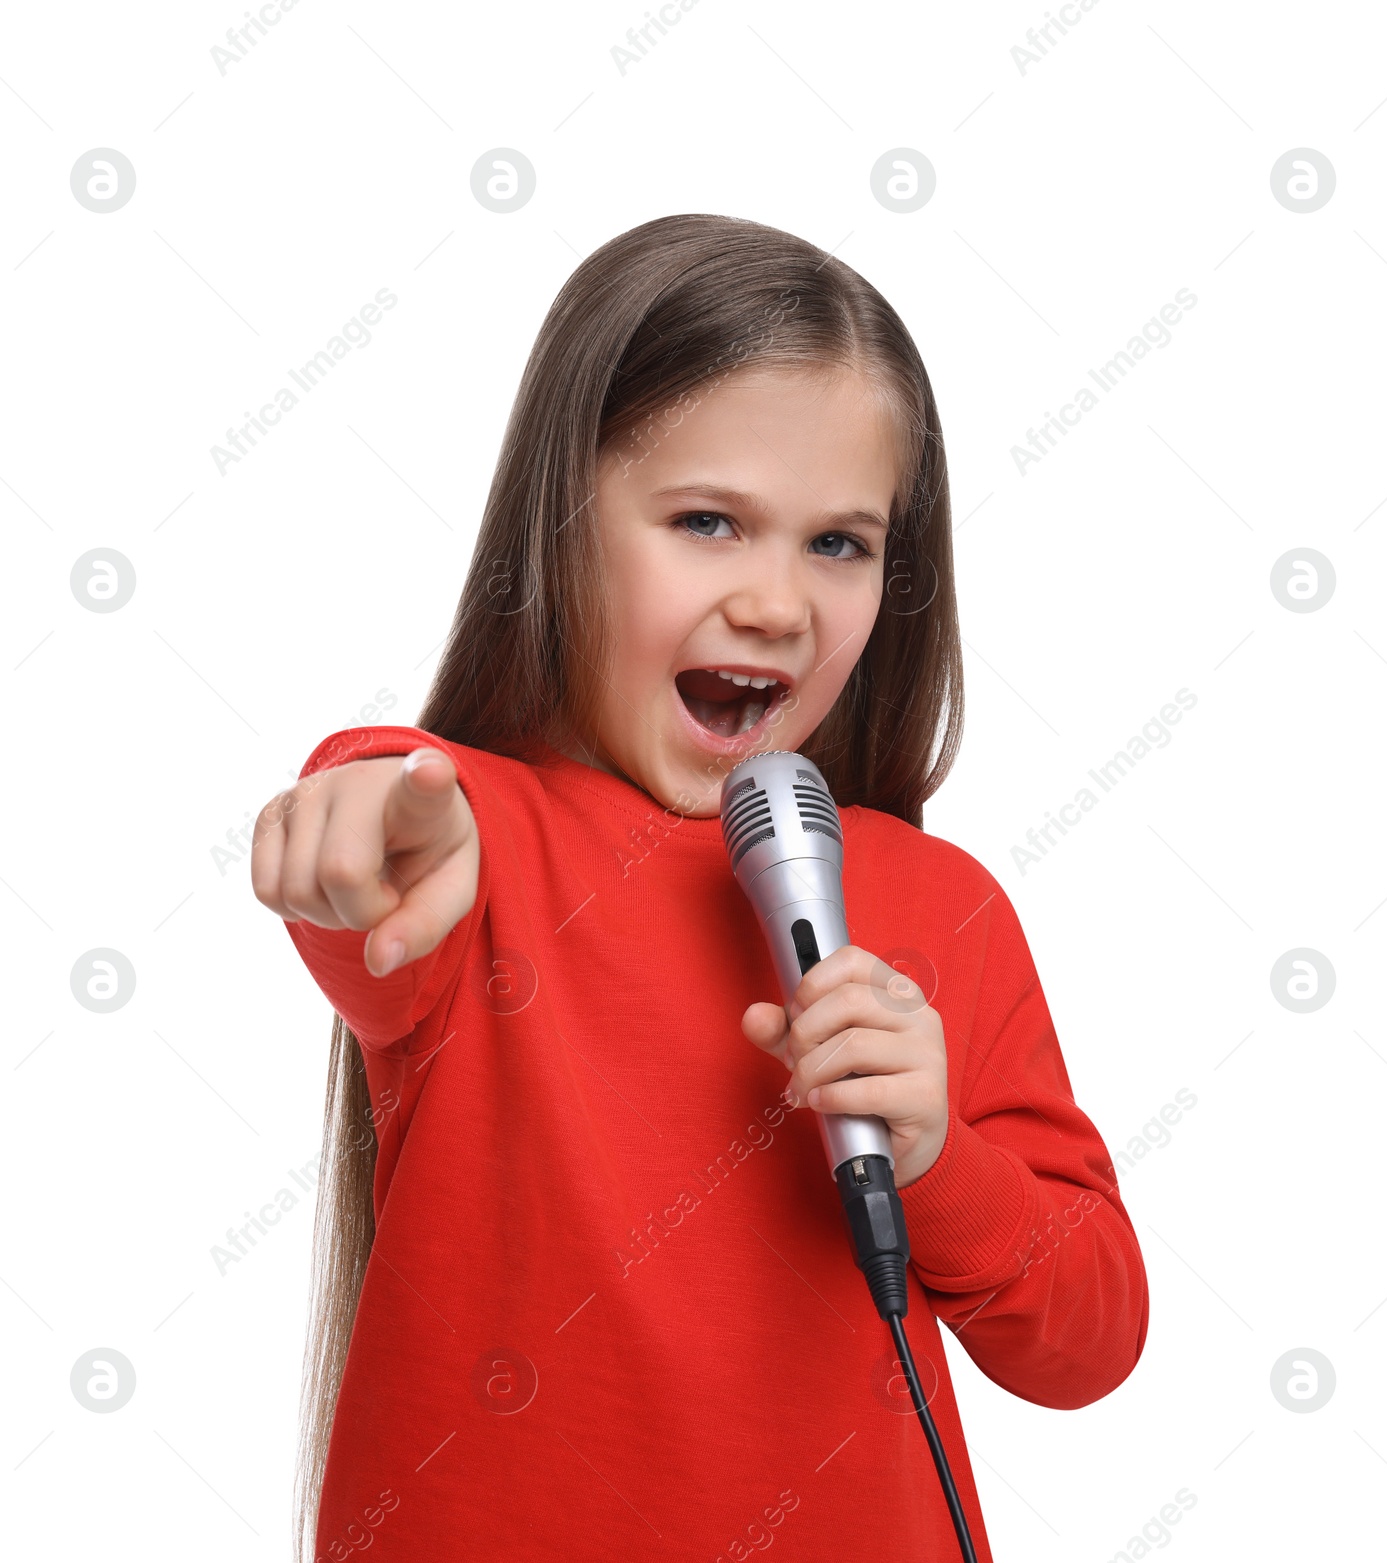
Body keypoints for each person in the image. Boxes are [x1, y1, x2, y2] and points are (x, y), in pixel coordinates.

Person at [251, 213, 1148, 1563]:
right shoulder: (480, 848)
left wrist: (935, 1158)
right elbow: (397, 804)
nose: (779, 602)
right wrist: (366, 799)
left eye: (839, 544)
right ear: (562, 526)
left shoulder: (941, 904)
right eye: (709, 522)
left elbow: (1088, 1335)